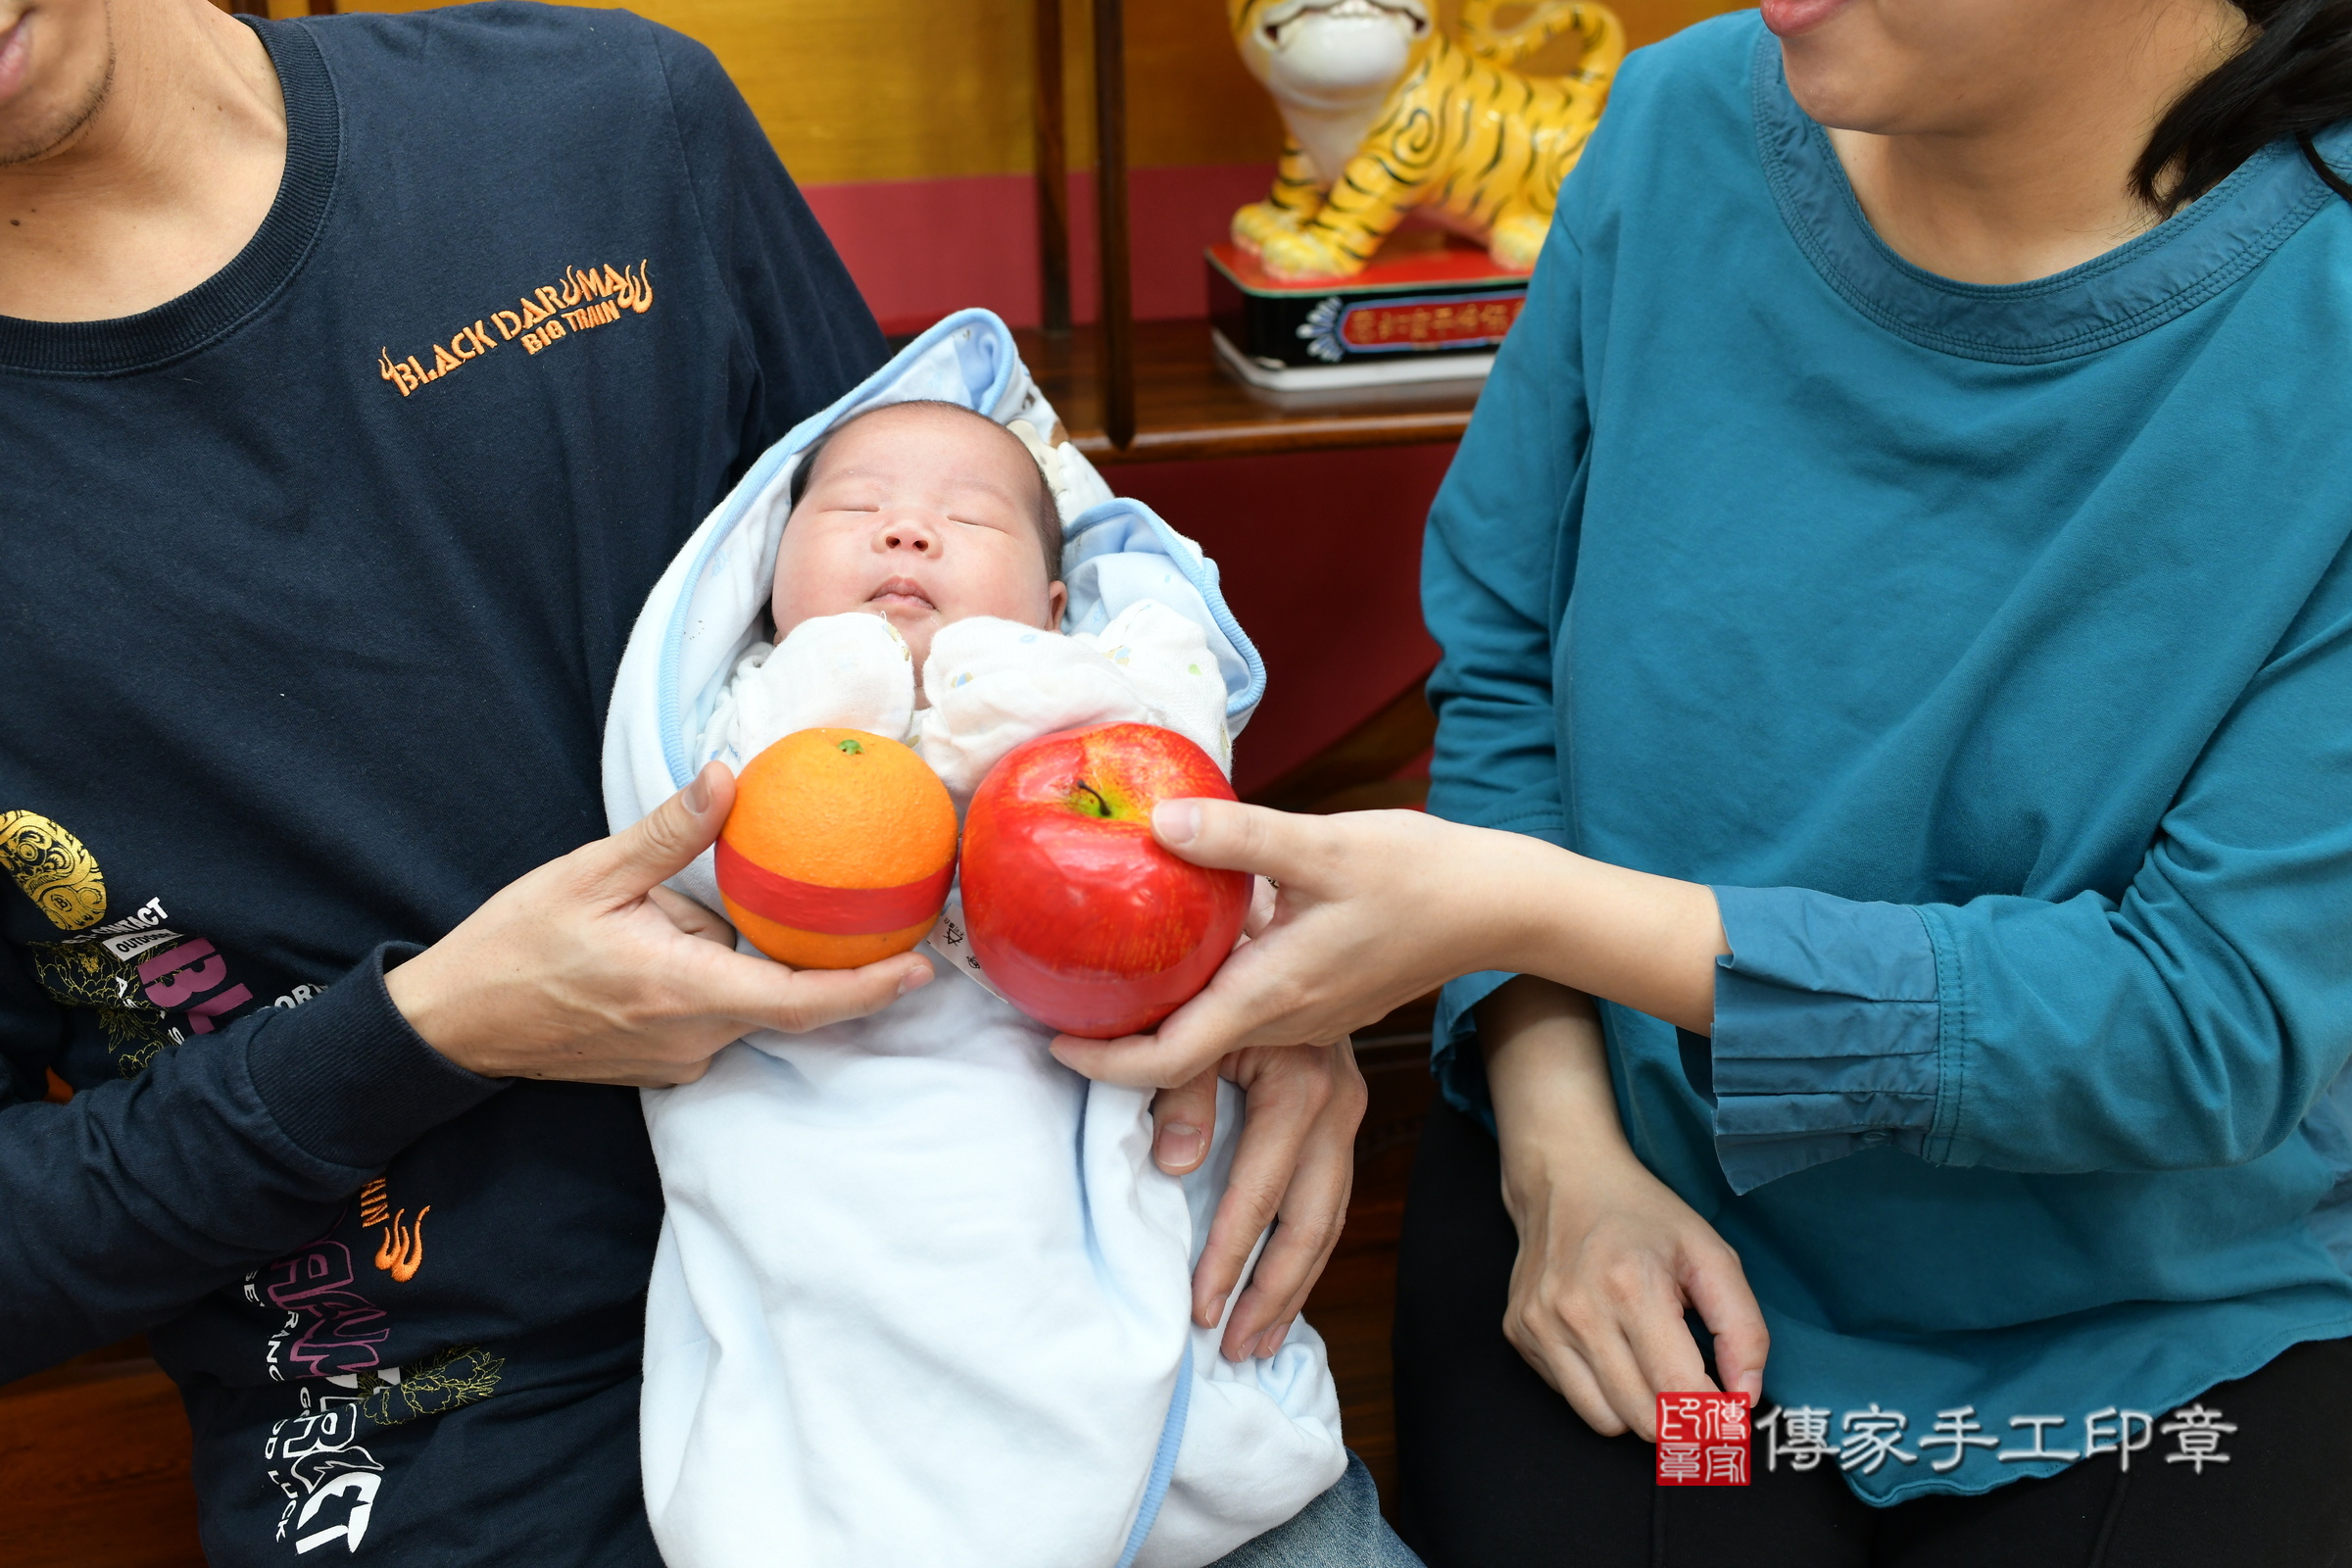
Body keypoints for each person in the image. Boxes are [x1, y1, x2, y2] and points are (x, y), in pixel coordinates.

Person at [0, 4, 1363, 1564]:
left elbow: (1032, 606)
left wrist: (1242, 956)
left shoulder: (606, 122)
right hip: (458, 1440)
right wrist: (420, 1033)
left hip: (1025, 1279)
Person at [1056, 0, 2352, 1562]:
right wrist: (1560, 1144)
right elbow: (1509, 671)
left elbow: (2198, 1029)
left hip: (2153, 1317)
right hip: (1622, 1192)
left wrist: (1524, 905)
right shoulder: (1674, 125)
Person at [612, 383, 1386, 1567]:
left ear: (1058, 605)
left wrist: (1014, 690)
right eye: (855, 508)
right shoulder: (738, 715)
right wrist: (836, 686)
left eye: (968, 519)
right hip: (837, 1163)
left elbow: (1181, 770)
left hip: (1090, 1148)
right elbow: (697, 856)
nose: (908, 531)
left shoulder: (1104, 700)